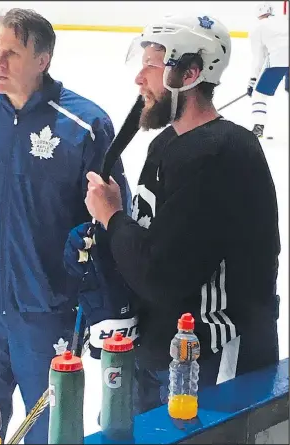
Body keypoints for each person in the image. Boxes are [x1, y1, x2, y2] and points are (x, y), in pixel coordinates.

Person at [0, 8, 131, 444]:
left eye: (13, 54)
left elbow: (112, 217)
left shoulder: (85, 125)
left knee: (51, 435)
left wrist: (107, 296)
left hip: (50, 315)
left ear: (43, 60)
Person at [65, 13, 281, 415]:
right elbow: (149, 243)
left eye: (152, 63)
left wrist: (113, 217)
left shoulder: (221, 156)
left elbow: (161, 274)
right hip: (159, 354)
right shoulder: (167, 143)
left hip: (208, 366)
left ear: (190, 72)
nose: (139, 78)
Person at [247, 2, 289, 138]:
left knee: (259, 94)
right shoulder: (284, 20)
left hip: (278, 60)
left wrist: (253, 81)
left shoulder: (258, 27)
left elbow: (259, 57)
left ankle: (258, 126)